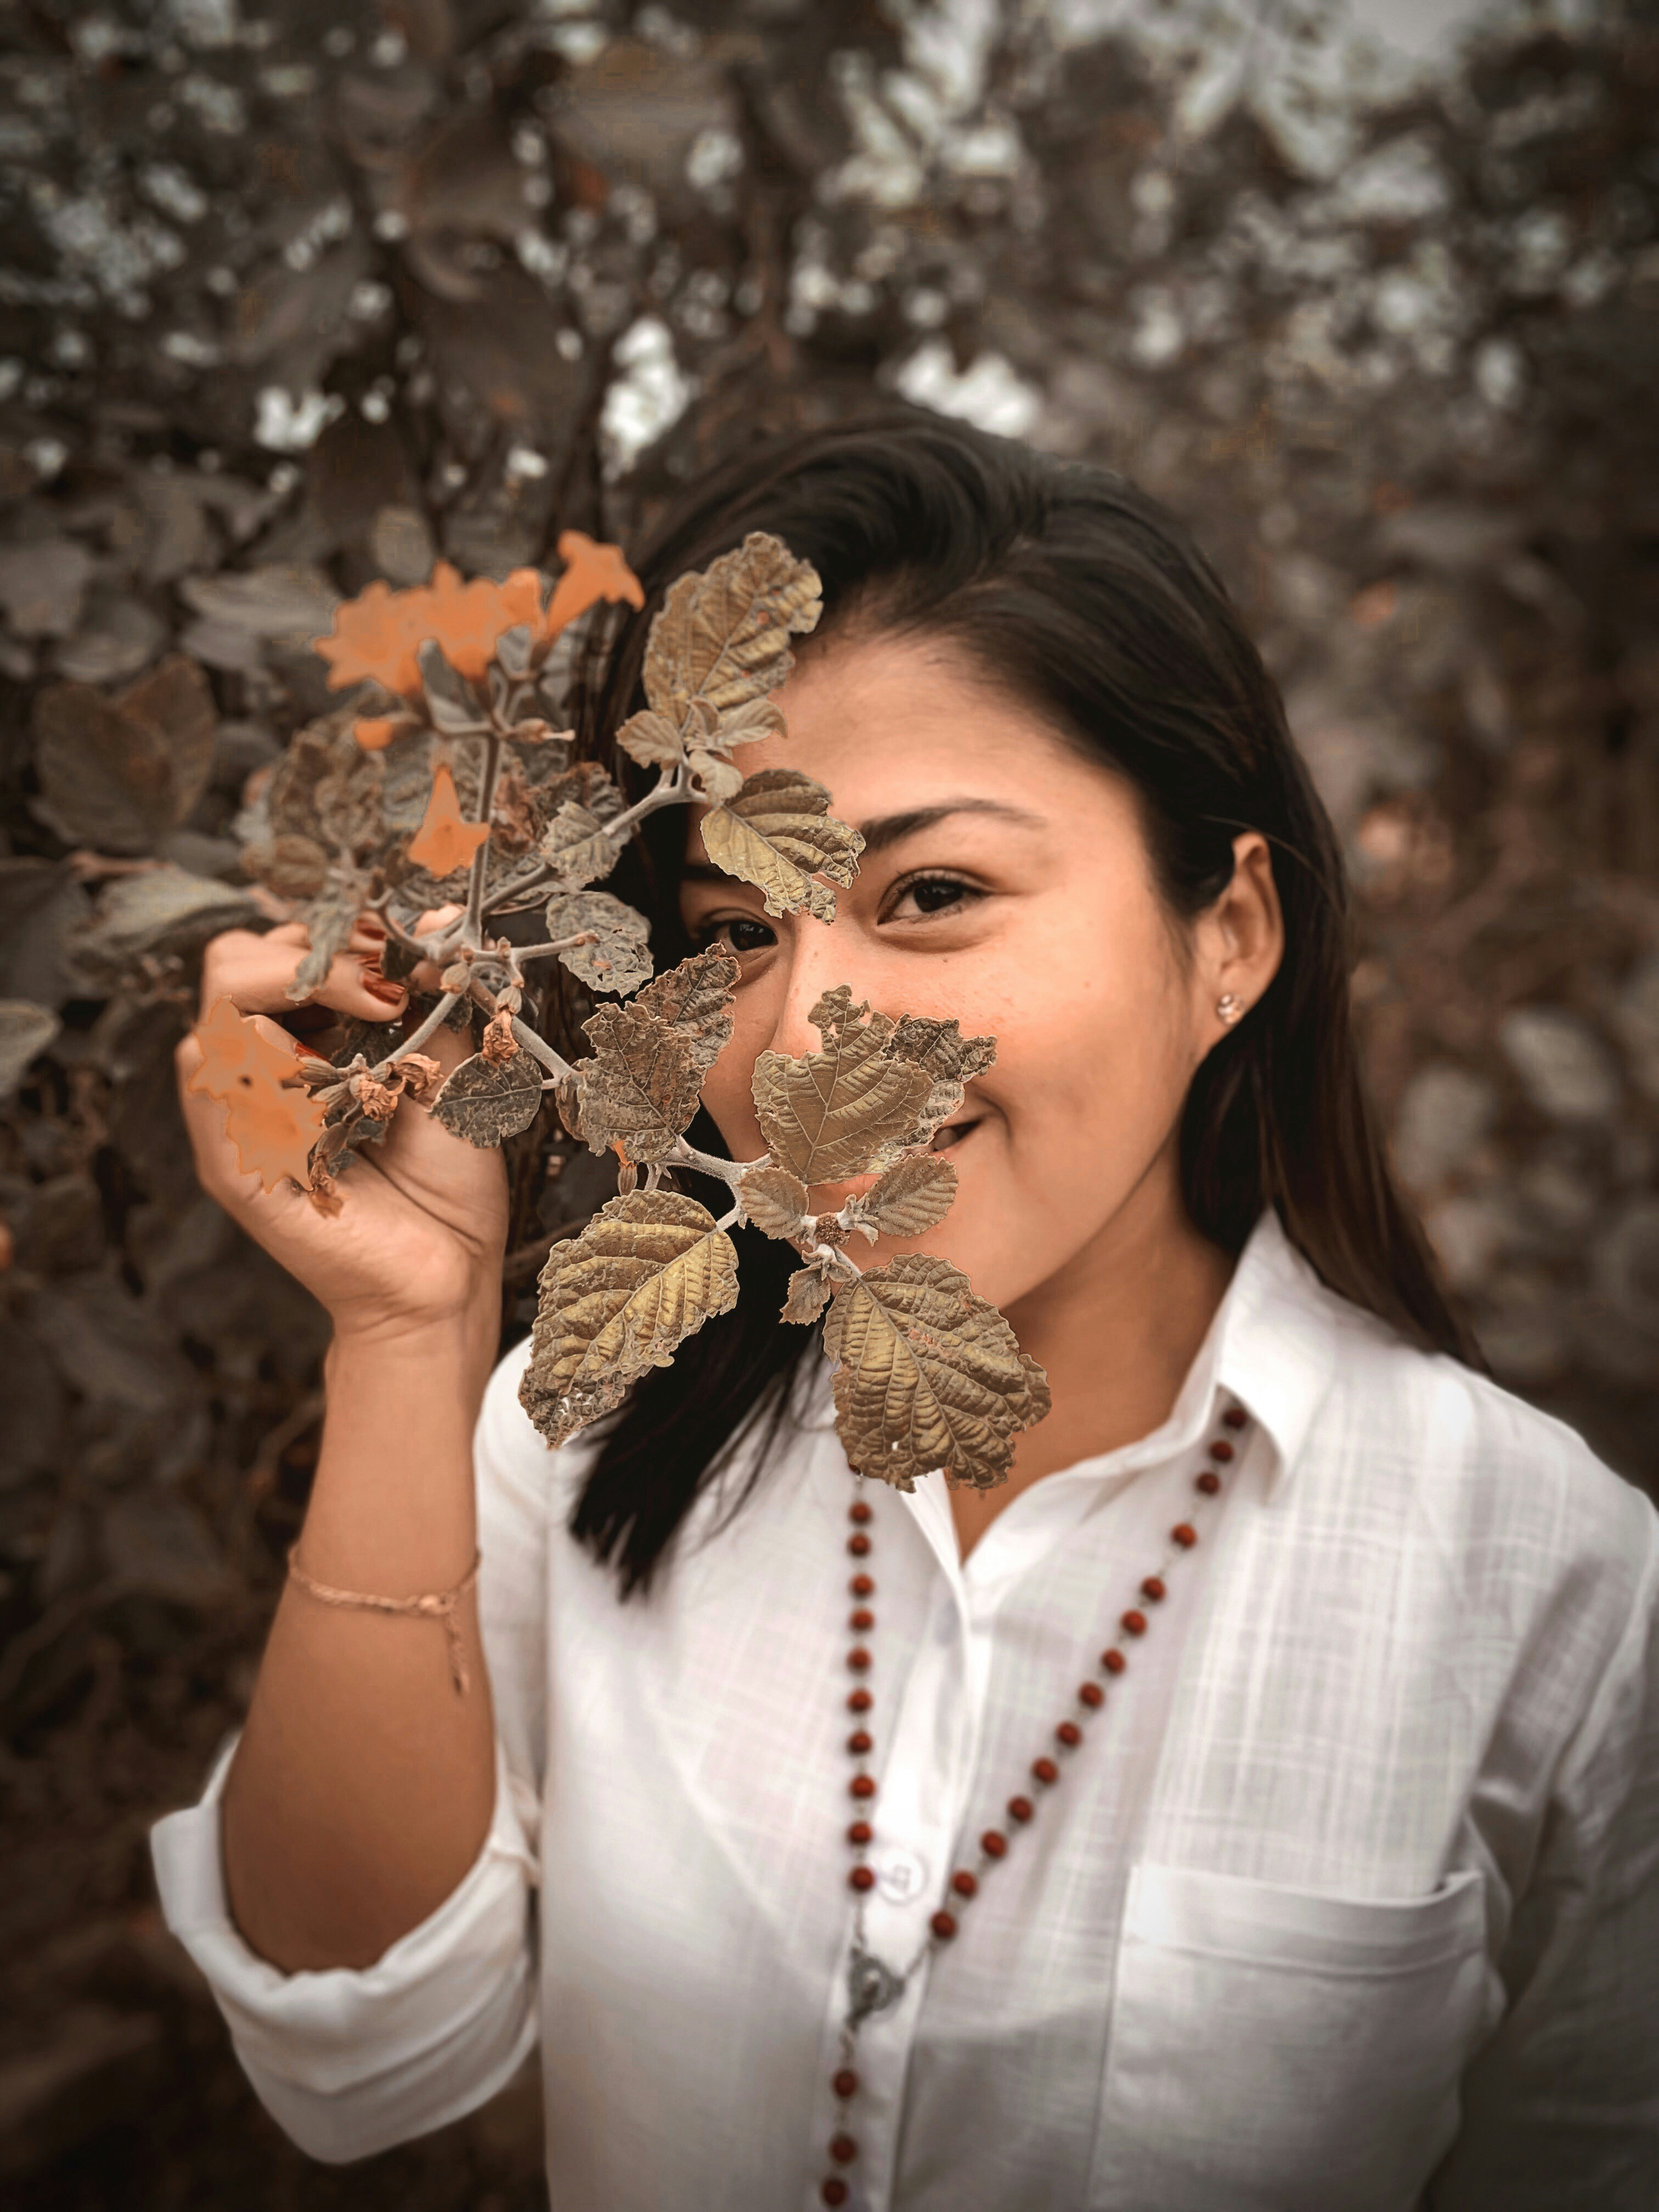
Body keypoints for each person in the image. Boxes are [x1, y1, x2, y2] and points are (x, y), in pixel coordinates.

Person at [151, 410, 1659, 2212]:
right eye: (732, 927)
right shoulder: (590, 1430)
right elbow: (353, 2061)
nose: (803, 1046)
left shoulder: (1553, 1586)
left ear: (1230, 939)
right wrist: (408, 1332)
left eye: (932, 896)